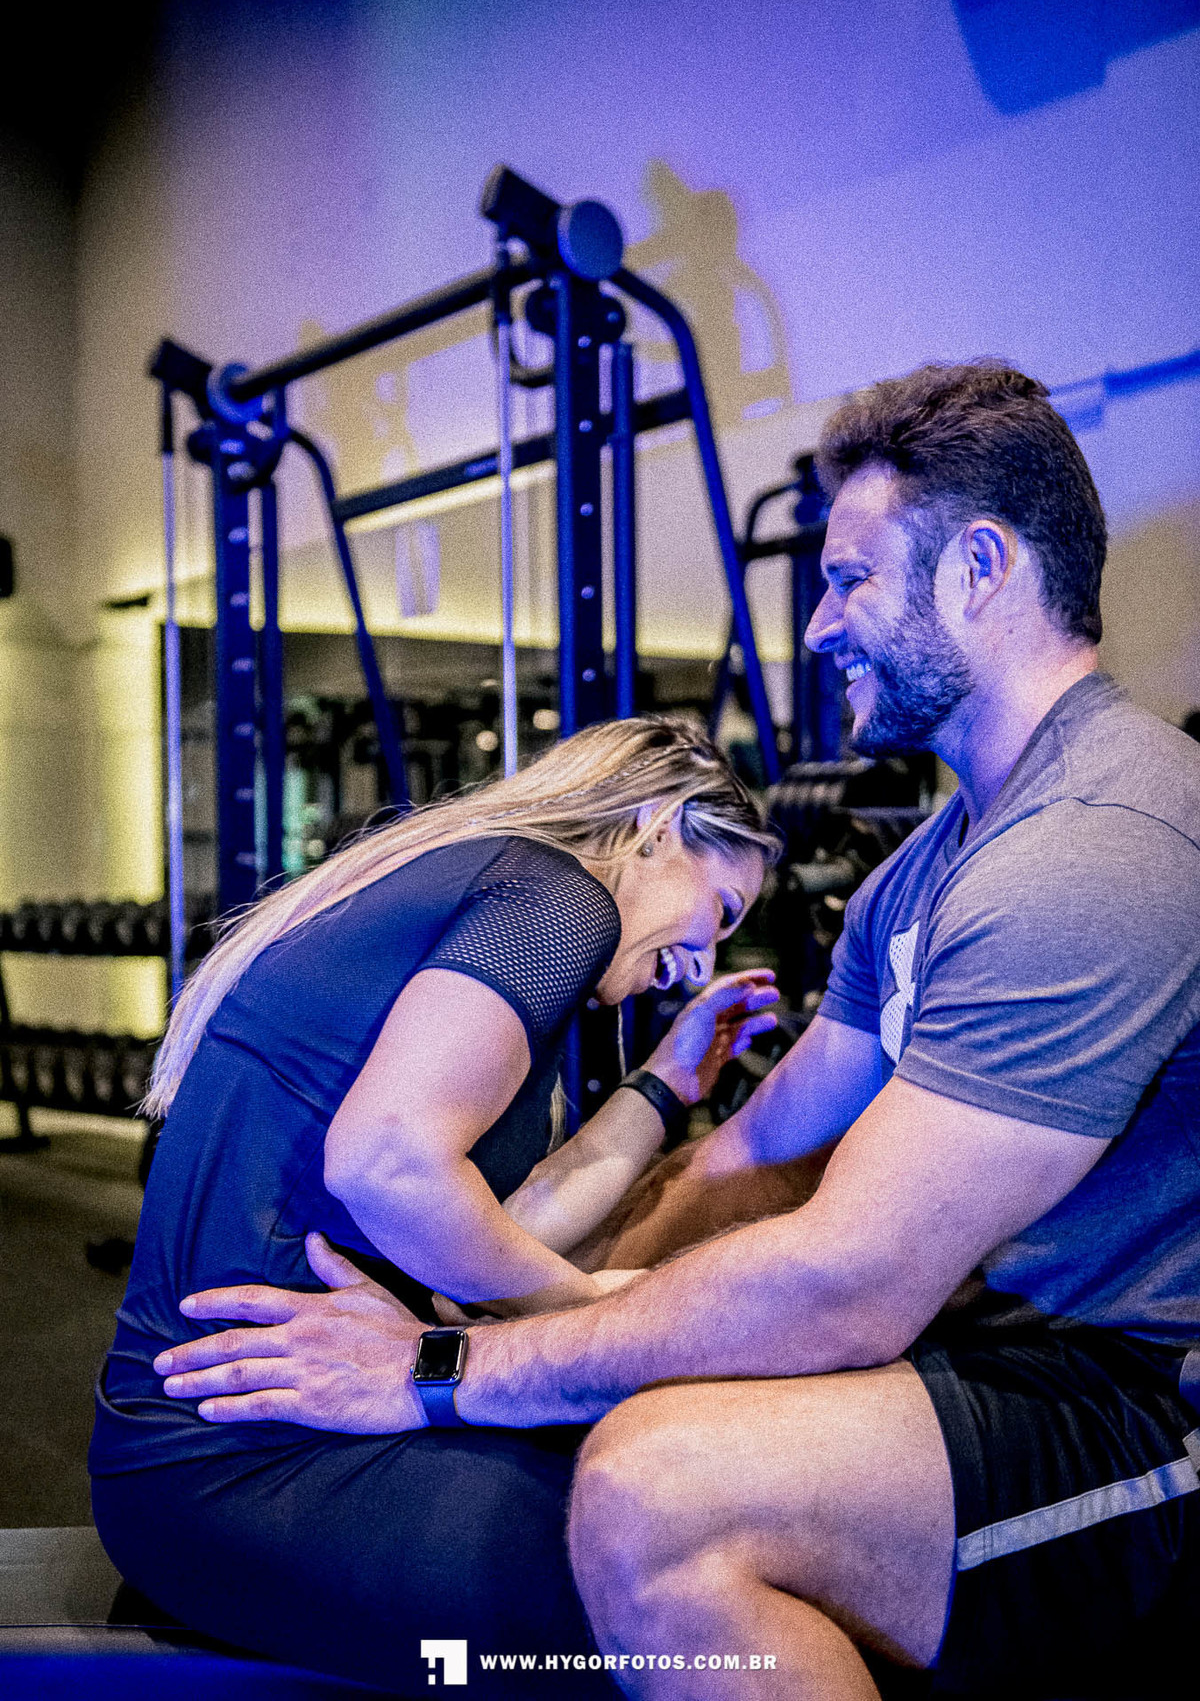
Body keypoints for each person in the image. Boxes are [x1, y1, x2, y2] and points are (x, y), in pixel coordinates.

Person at [149, 362, 1200, 1701]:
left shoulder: (1098, 844)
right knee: (609, 1410)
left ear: (981, 567)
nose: (819, 622)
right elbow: (751, 1154)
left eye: (852, 578)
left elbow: (848, 1279)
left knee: (655, 1489)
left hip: (1133, 1401)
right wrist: (563, 1320)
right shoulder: (923, 872)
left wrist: (451, 1363)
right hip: (998, 1348)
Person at [89, 716, 781, 1697]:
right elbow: (390, 1165)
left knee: (682, 1506)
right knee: (684, 1595)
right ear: (657, 826)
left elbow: (496, 1225)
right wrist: (595, 1317)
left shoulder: (497, 885)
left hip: (248, 1438)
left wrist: (668, 1081)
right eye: (720, 908)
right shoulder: (559, 897)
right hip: (243, 1456)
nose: (704, 959)